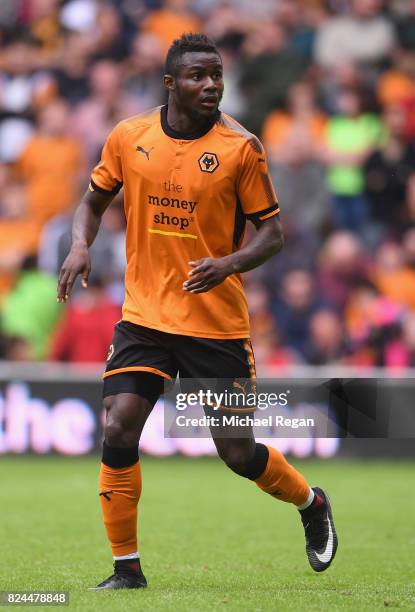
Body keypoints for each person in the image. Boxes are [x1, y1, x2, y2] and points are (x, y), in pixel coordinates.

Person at [57, 33, 338, 591]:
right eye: (197, 76)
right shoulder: (129, 136)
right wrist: (79, 245)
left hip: (215, 324)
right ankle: (127, 569)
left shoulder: (242, 147)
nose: (210, 85)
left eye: (216, 75)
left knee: (237, 452)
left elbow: (274, 235)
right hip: (144, 315)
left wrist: (227, 263)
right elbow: (91, 204)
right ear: (170, 84)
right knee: (118, 424)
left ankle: (311, 501)